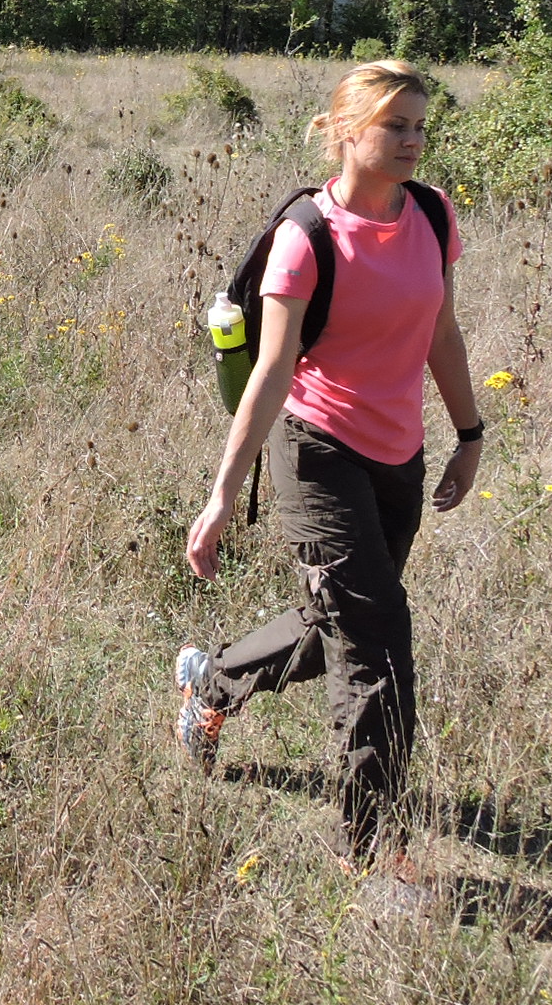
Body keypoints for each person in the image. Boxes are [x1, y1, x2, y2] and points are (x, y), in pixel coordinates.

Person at [177, 59, 482, 878]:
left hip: (400, 456)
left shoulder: (431, 213)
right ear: (346, 130)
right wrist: (222, 493)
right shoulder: (304, 238)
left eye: (420, 125)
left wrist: (470, 432)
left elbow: (442, 335)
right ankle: (374, 853)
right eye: (396, 126)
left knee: (333, 626)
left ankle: (212, 685)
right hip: (317, 453)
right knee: (378, 639)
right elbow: (273, 375)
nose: (414, 141)